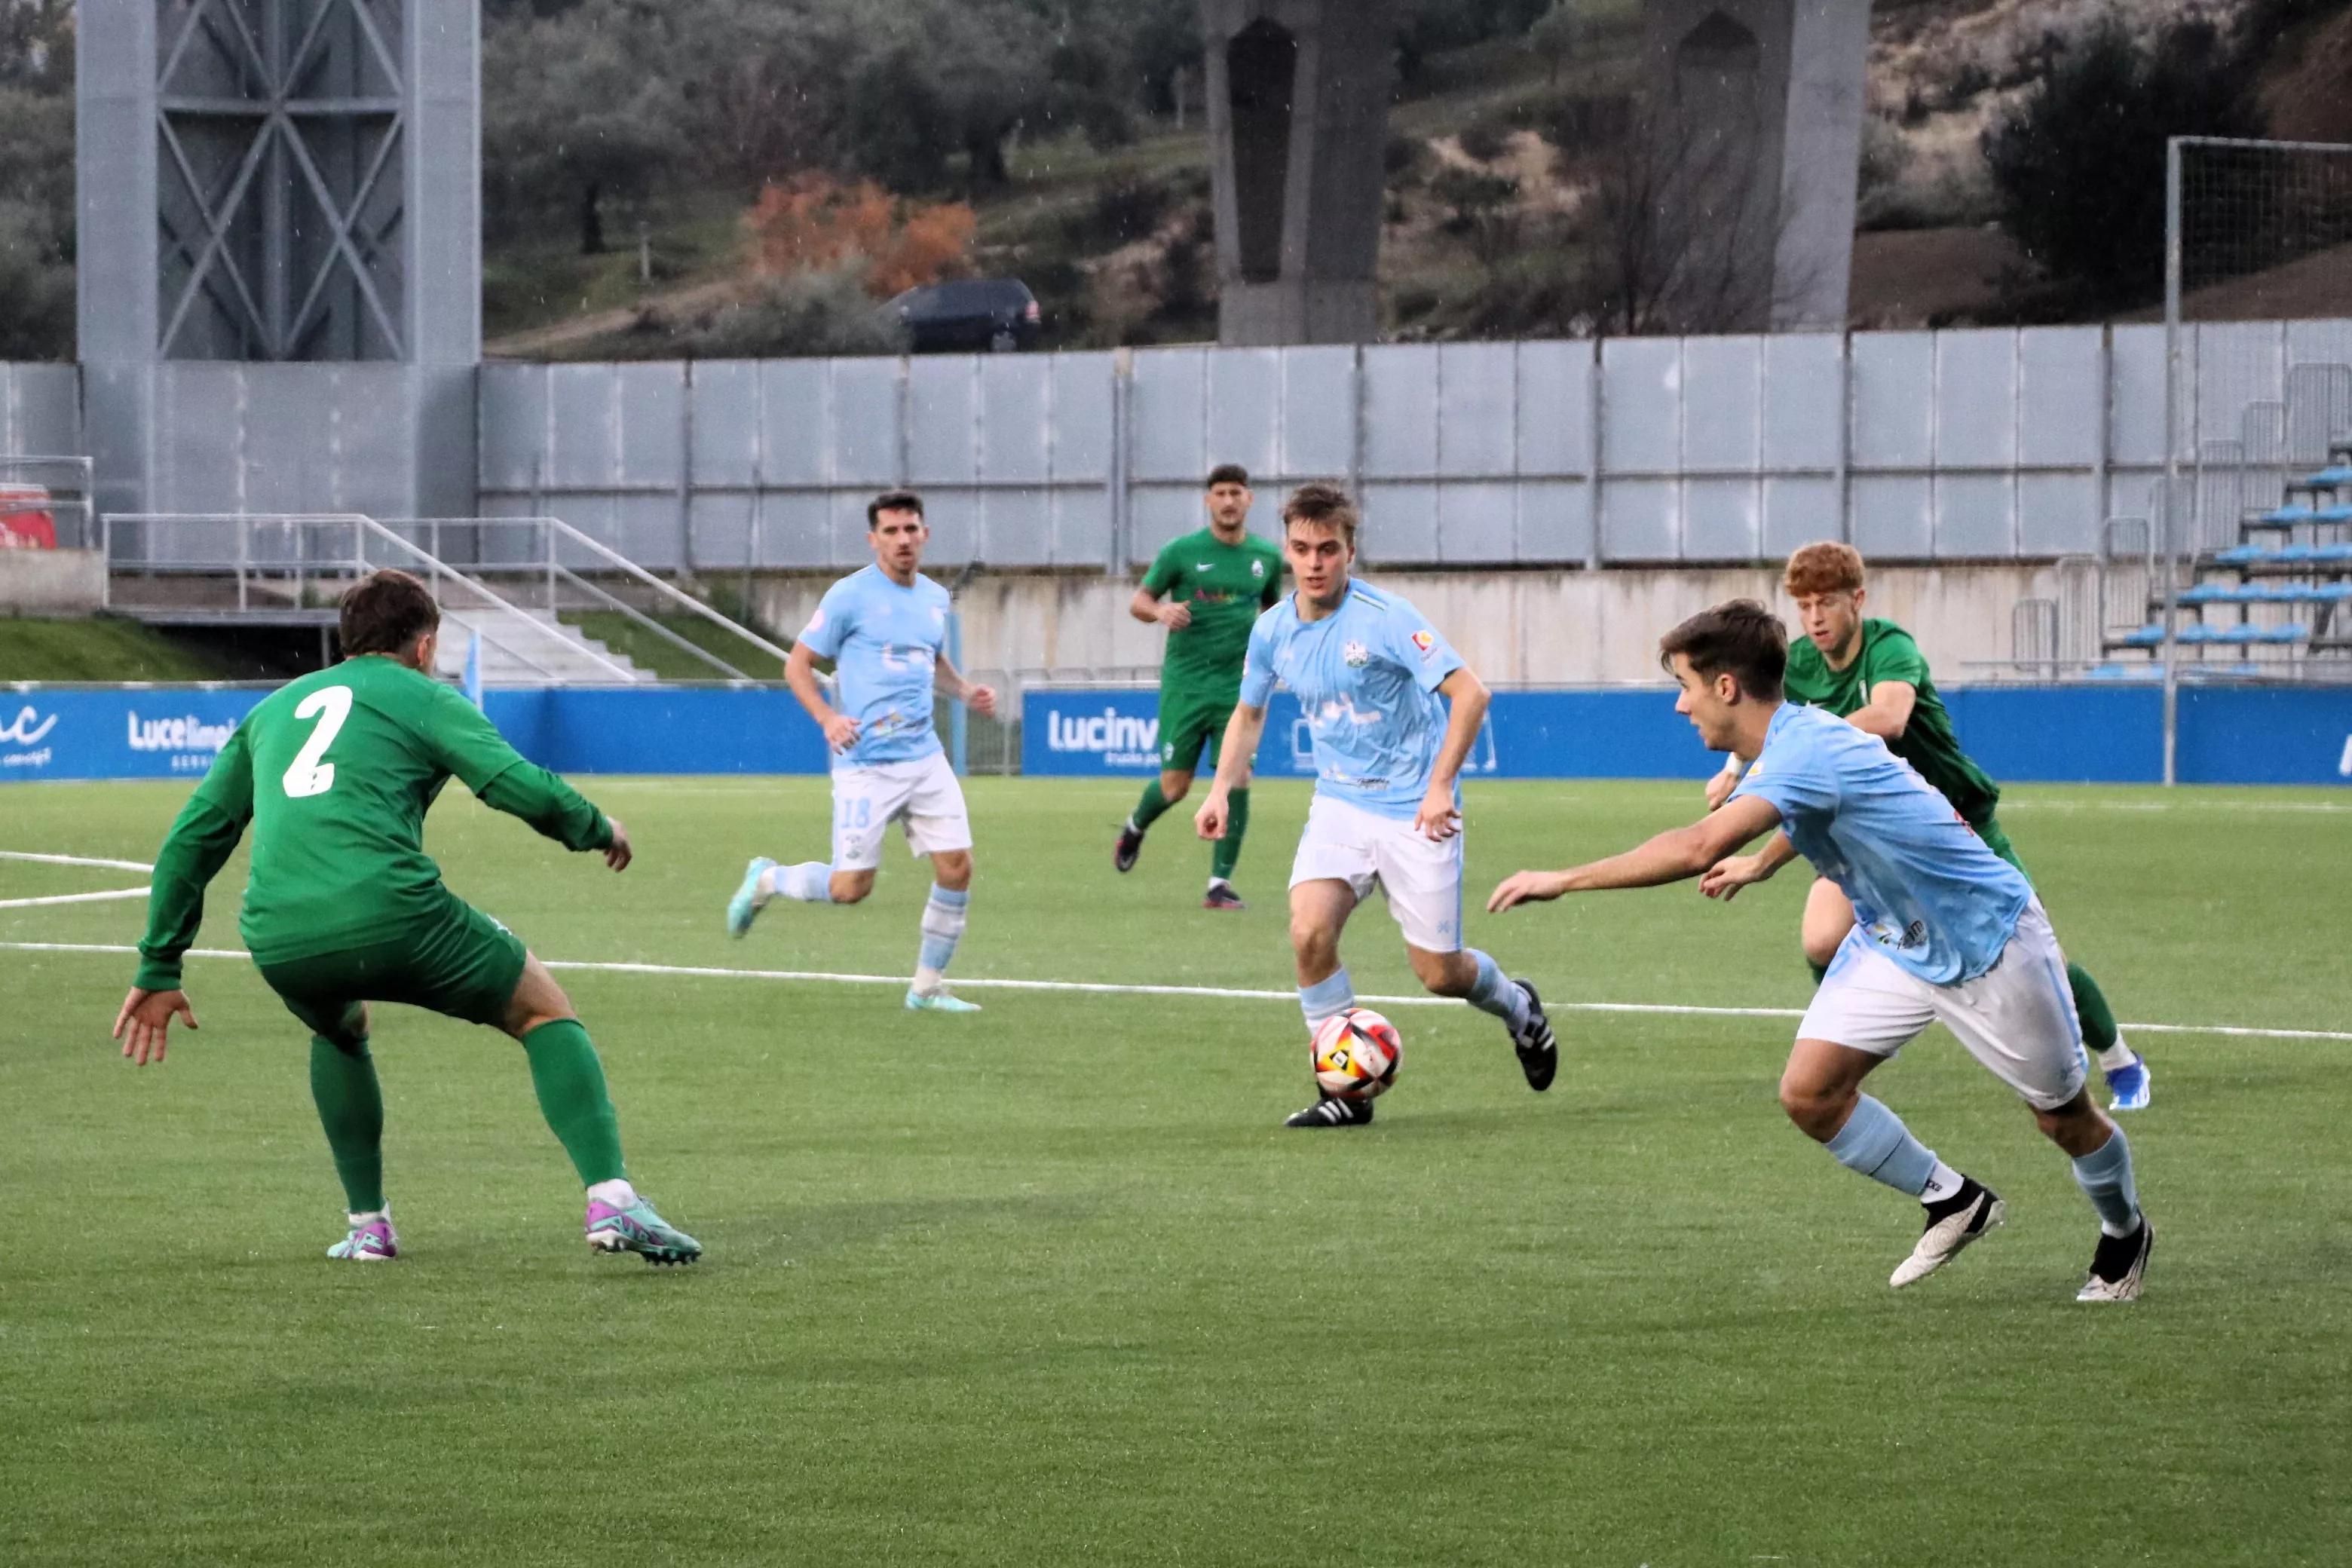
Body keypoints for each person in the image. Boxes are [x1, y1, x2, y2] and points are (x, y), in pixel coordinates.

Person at [1491, 600, 2153, 1302]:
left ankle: (2124, 1231)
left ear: (1725, 687)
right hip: (1894, 939)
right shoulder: (1789, 745)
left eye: (1684, 685)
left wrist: (1561, 879)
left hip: (1985, 938)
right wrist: (1767, 862)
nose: (1680, 707)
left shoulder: (1803, 749)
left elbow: (1696, 846)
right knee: (1810, 1096)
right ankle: (1954, 1202)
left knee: (2062, 1116)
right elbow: (1817, 806)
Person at [113, 568, 700, 1265]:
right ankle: (613, 1200)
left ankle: (369, 1226)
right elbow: (513, 784)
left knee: (338, 1031)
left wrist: (159, 965)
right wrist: (595, 827)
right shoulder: (422, 695)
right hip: (394, 913)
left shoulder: (273, 711)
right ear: (423, 647)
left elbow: (193, 839)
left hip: (280, 937)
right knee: (543, 1011)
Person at [1705, 543, 2150, 1111]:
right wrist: (1734, 769)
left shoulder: (1890, 648)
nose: (1815, 618)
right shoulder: (1798, 664)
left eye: (1827, 604)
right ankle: (1858, 1044)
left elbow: (1889, 719)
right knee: (1820, 935)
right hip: (1873, 835)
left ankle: (2122, 1063)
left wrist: (1804, 754)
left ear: (1857, 601)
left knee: (2049, 965)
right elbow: (1766, 714)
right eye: (1805, 605)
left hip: (1956, 825)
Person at [1194, 483, 1556, 1128]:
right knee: (1308, 932)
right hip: (1338, 806)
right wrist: (1220, 788)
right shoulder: (1273, 629)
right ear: (1288, 551)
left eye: (1328, 549)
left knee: (1441, 975)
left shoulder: (1386, 617)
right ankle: (1346, 1094)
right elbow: (1248, 713)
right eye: (1302, 549)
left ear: (1350, 552)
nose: (1314, 562)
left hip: (1417, 810)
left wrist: (1441, 784)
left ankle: (1520, 1009)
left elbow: (1471, 695)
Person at [727, 490, 999, 1013]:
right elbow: (797, 665)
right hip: (866, 764)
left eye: (911, 529)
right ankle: (768, 879)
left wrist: (965, 691)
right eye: (892, 532)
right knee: (851, 888)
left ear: (925, 535)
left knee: (957, 867)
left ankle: (926, 988)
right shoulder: (849, 596)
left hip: (924, 757)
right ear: (874, 539)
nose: (903, 540)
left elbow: (930, 658)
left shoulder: (935, 598)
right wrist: (828, 719)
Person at [1113, 464, 1285, 909]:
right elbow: (1139, 601)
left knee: (1238, 777)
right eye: (1220, 493)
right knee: (1175, 787)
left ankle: (1218, 884)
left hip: (1238, 687)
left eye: (1236, 493)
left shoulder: (1266, 557)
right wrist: (1161, 613)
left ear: (1249, 499)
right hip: (1187, 685)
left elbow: (1273, 614)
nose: (1229, 501)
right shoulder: (1181, 552)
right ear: (1209, 501)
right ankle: (1135, 826)